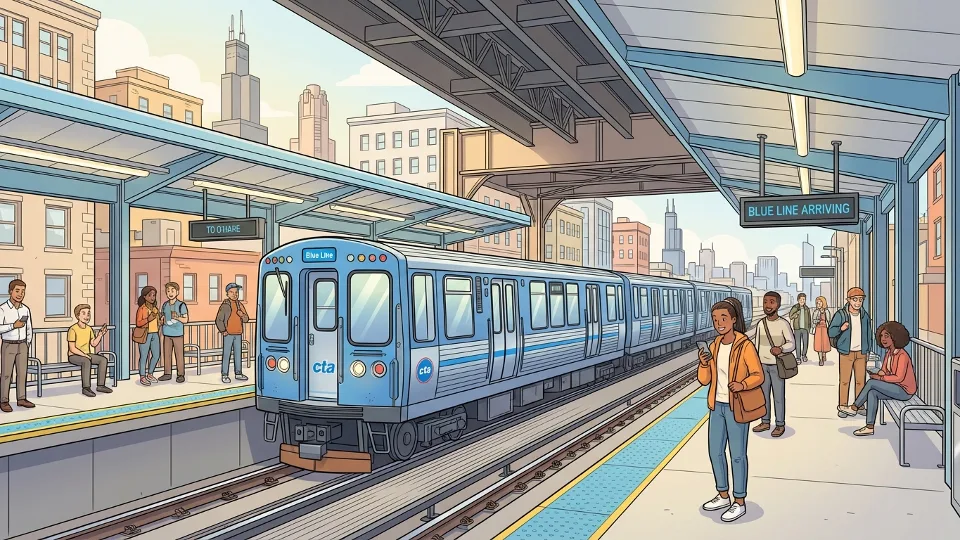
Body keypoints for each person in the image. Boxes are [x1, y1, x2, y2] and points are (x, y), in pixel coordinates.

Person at [698, 298, 765, 523]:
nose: (719, 323)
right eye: (715, 319)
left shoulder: (744, 345)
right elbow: (704, 380)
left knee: (737, 456)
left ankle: (739, 501)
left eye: (724, 318)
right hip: (716, 406)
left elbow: (758, 375)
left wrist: (742, 385)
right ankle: (723, 494)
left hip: (737, 407)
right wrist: (704, 363)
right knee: (715, 452)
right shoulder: (715, 345)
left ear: (734, 320)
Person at [839, 321, 916, 436]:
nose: (883, 339)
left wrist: (880, 378)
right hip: (894, 387)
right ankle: (869, 426)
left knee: (871, 383)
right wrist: (876, 373)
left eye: (887, 336)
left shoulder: (902, 355)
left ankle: (855, 407)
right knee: (873, 393)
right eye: (881, 336)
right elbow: (884, 370)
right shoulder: (889, 353)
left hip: (904, 391)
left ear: (895, 337)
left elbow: (899, 378)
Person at [750, 291, 796, 437]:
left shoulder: (783, 324)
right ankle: (765, 421)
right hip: (762, 365)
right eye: (765, 302)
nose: (767, 305)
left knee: (778, 396)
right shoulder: (760, 324)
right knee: (763, 396)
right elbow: (756, 345)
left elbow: (792, 344)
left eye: (771, 302)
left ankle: (780, 424)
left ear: (778, 305)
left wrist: (781, 349)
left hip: (777, 366)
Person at [828, 287, 873, 418]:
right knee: (845, 380)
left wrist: (868, 349)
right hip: (846, 352)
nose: (858, 303)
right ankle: (842, 406)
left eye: (860, 300)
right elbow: (830, 332)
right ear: (848, 300)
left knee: (861, 381)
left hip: (861, 352)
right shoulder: (841, 314)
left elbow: (869, 334)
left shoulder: (864, 316)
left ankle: (859, 405)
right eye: (855, 300)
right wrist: (841, 328)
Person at [0, 279, 34, 411]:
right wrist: (13, 326)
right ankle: (3, 401)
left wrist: (27, 343)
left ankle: (21, 398)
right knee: (6, 374)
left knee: (22, 373)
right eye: (17, 291)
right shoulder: (2, 309)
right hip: (9, 344)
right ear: (10, 292)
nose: (20, 294)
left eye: (23, 291)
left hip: (23, 345)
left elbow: (29, 328)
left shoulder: (26, 309)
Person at [66, 304, 113, 397]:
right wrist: (84, 355)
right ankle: (86, 388)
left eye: (88, 314)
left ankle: (101, 385)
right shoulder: (73, 329)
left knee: (103, 360)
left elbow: (93, 343)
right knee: (86, 361)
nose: (86, 316)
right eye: (83, 313)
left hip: (86, 354)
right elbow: (72, 348)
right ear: (77, 316)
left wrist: (100, 335)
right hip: (74, 355)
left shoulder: (89, 329)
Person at [216, 283, 249, 384]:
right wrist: (223, 331)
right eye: (232, 292)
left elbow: (246, 319)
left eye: (236, 292)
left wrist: (241, 314)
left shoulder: (240, 305)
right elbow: (218, 320)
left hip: (238, 333)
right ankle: (225, 374)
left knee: (238, 354)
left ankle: (238, 373)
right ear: (227, 294)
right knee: (226, 355)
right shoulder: (225, 305)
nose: (235, 294)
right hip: (228, 334)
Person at [160, 282, 189, 383]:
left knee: (179, 355)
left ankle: (180, 374)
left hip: (177, 334)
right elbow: (162, 317)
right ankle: (167, 373)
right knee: (167, 354)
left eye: (172, 290)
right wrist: (161, 320)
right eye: (168, 291)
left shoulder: (181, 305)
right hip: (166, 333)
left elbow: (186, 320)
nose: (170, 293)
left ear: (177, 292)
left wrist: (178, 317)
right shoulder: (165, 305)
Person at [135, 286, 162, 386]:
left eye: (154, 295)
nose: (152, 297)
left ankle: (150, 374)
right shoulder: (142, 309)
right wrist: (148, 319)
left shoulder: (155, 309)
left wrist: (160, 321)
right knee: (144, 356)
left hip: (155, 334)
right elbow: (138, 323)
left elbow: (158, 321)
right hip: (145, 334)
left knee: (156, 355)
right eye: (150, 295)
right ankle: (142, 376)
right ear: (145, 296)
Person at [788, 293, 812, 362]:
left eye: (803, 299)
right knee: (797, 343)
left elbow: (809, 319)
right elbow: (791, 316)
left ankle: (804, 355)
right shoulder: (795, 307)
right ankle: (798, 357)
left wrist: (809, 328)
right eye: (801, 299)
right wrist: (796, 314)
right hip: (797, 328)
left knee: (805, 343)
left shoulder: (807, 308)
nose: (802, 301)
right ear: (798, 300)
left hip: (805, 328)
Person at [812, 296, 832, 366]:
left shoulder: (827, 311)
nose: (818, 304)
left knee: (825, 343)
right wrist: (816, 321)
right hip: (818, 329)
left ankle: (824, 354)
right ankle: (820, 359)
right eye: (817, 303)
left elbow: (829, 321)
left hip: (825, 329)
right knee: (819, 344)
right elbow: (813, 321)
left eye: (820, 302)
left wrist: (831, 329)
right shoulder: (816, 311)